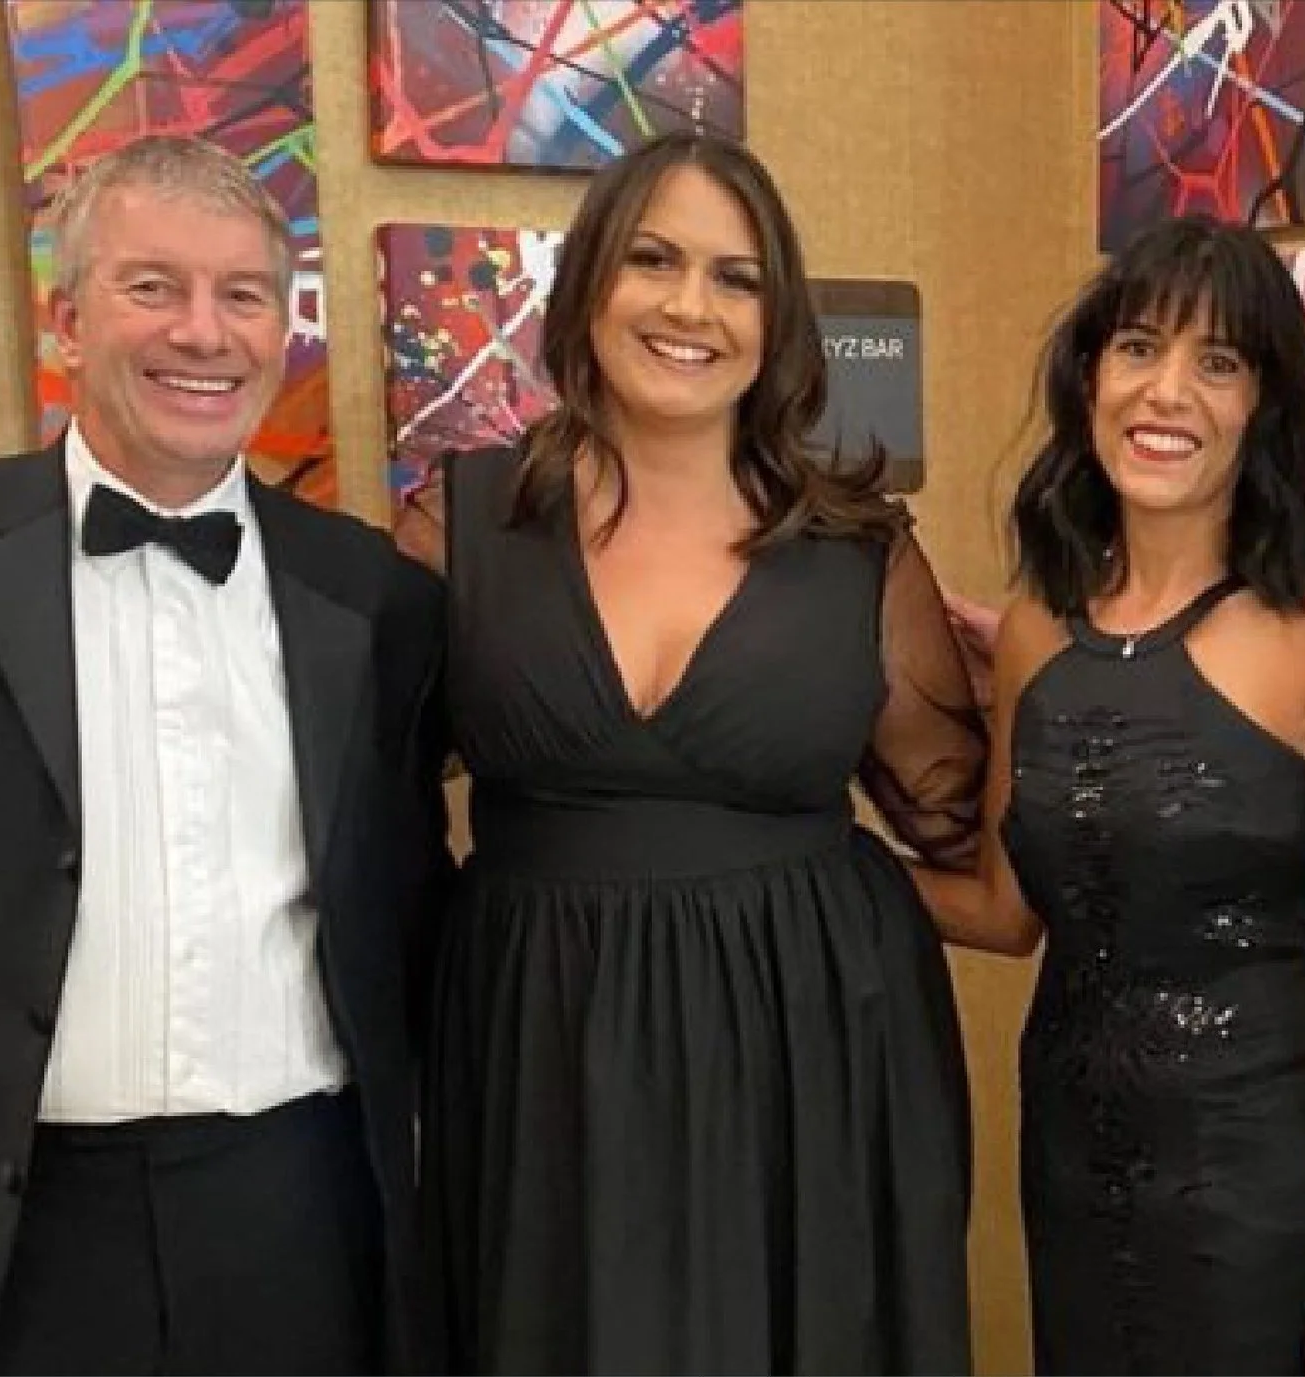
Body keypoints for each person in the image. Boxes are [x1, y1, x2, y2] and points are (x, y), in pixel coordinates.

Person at [0, 135, 450, 1375]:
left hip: (300, 1214)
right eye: (152, 287)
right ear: (69, 320)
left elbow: (407, 907)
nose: (203, 332)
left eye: (242, 295)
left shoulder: (371, 596)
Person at [393, 130, 982, 1373]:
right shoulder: (463, 526)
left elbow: (976, 846)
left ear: (779, 319)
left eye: (736, 276)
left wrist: (1050, 674)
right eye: (653, 259)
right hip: (541, 1061)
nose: (689, 306)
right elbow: (354, 798)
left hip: (803, 1060)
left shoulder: (860, 552)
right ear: (590, 282)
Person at [916, 216, 1305, 1375]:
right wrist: (809, 850)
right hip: (1071, 1167)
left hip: (1261, 1189)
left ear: (1263, 404)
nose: (1166, 391)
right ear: (1090, 375)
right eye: (1139, 347)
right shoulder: (1038, 624)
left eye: (1218, 361)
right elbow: (1003, 910)